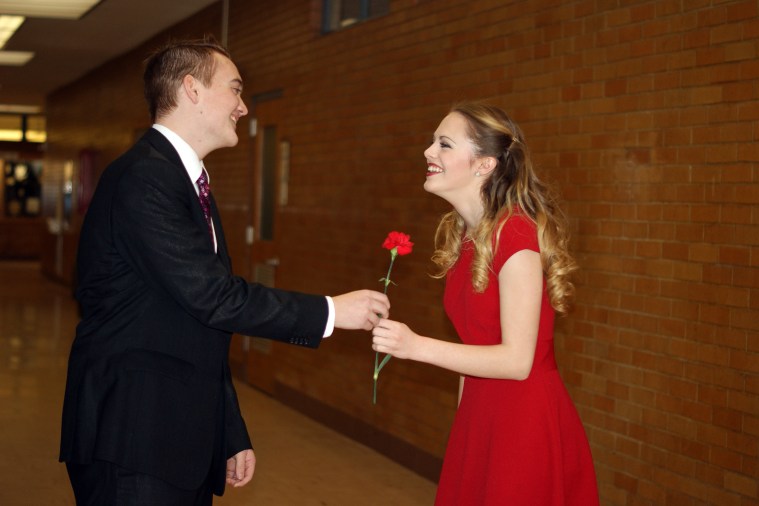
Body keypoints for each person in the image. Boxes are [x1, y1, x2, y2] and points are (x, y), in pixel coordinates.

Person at [59, 38, 390, 505]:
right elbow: (214, 297)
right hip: (134, 432)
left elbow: (198, 324)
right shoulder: (145, 178)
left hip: (177, 434)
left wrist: (228, 428)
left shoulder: (184, 180)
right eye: (234, 90)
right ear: (191, 89)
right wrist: (331, 312)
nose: (242, 107)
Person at [371, 102, 599, 505]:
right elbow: (472, 346)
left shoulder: (516, 236)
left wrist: (414, 346)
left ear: (484, 164)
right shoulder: (466, 236)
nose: (428, 151)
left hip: (523, 421)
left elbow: (517, 361)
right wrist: (466, 428)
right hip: (482, 414)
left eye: (443, 144)